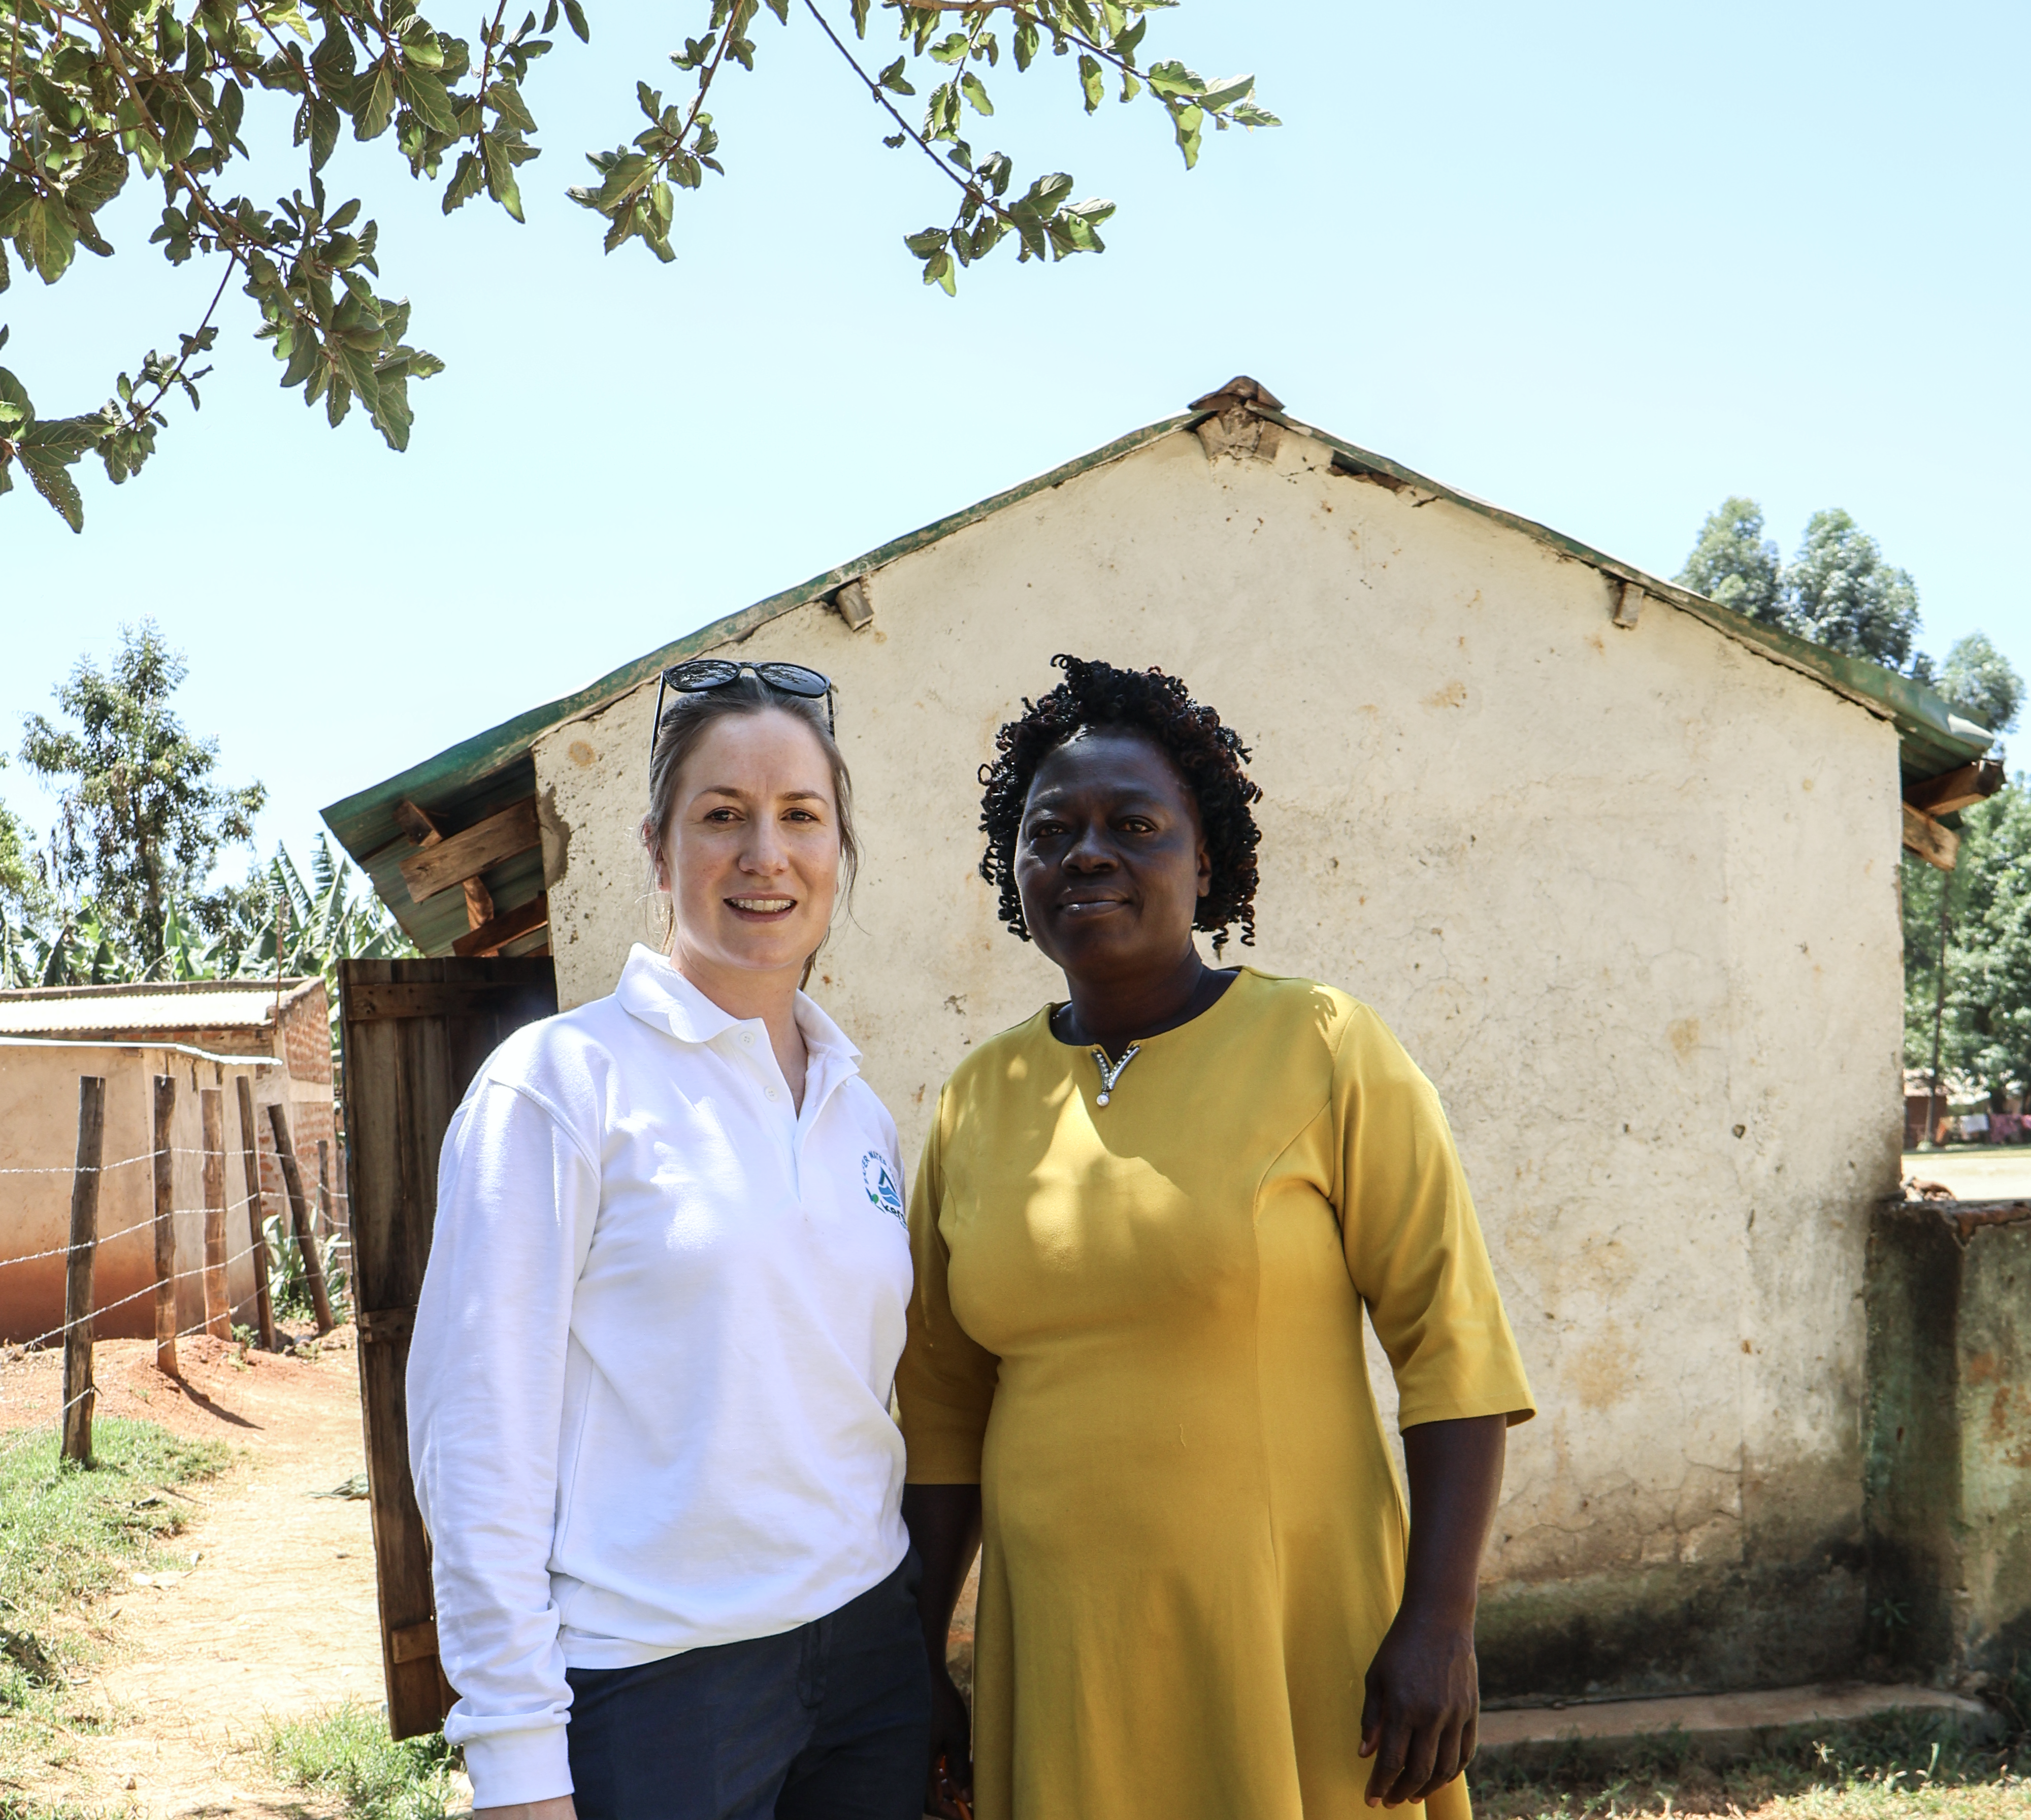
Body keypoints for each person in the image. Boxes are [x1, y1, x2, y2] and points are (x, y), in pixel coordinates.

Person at [898, 656, 1536, 1820]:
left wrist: (1440, 1620)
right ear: (1016, 870)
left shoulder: (1324, 1044)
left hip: (1292, 1628)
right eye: (1049, 832)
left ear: (1206, 862)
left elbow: (1451, 1349)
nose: (1085, 852)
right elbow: (942, 1408)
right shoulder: (974, 1099)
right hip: (1063, 1647)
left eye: (1132, 824)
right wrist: (913, 1668)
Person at [407, 660, 929, 1820]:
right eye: (721, 816)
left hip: (866, 1659)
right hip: (654, 1687)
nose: (765, 853)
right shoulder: (559, 1087)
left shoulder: (859, 1107)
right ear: (656, 850)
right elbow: (476, 1439)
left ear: (839, 849)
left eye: (801, 815)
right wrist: (515, 1761)